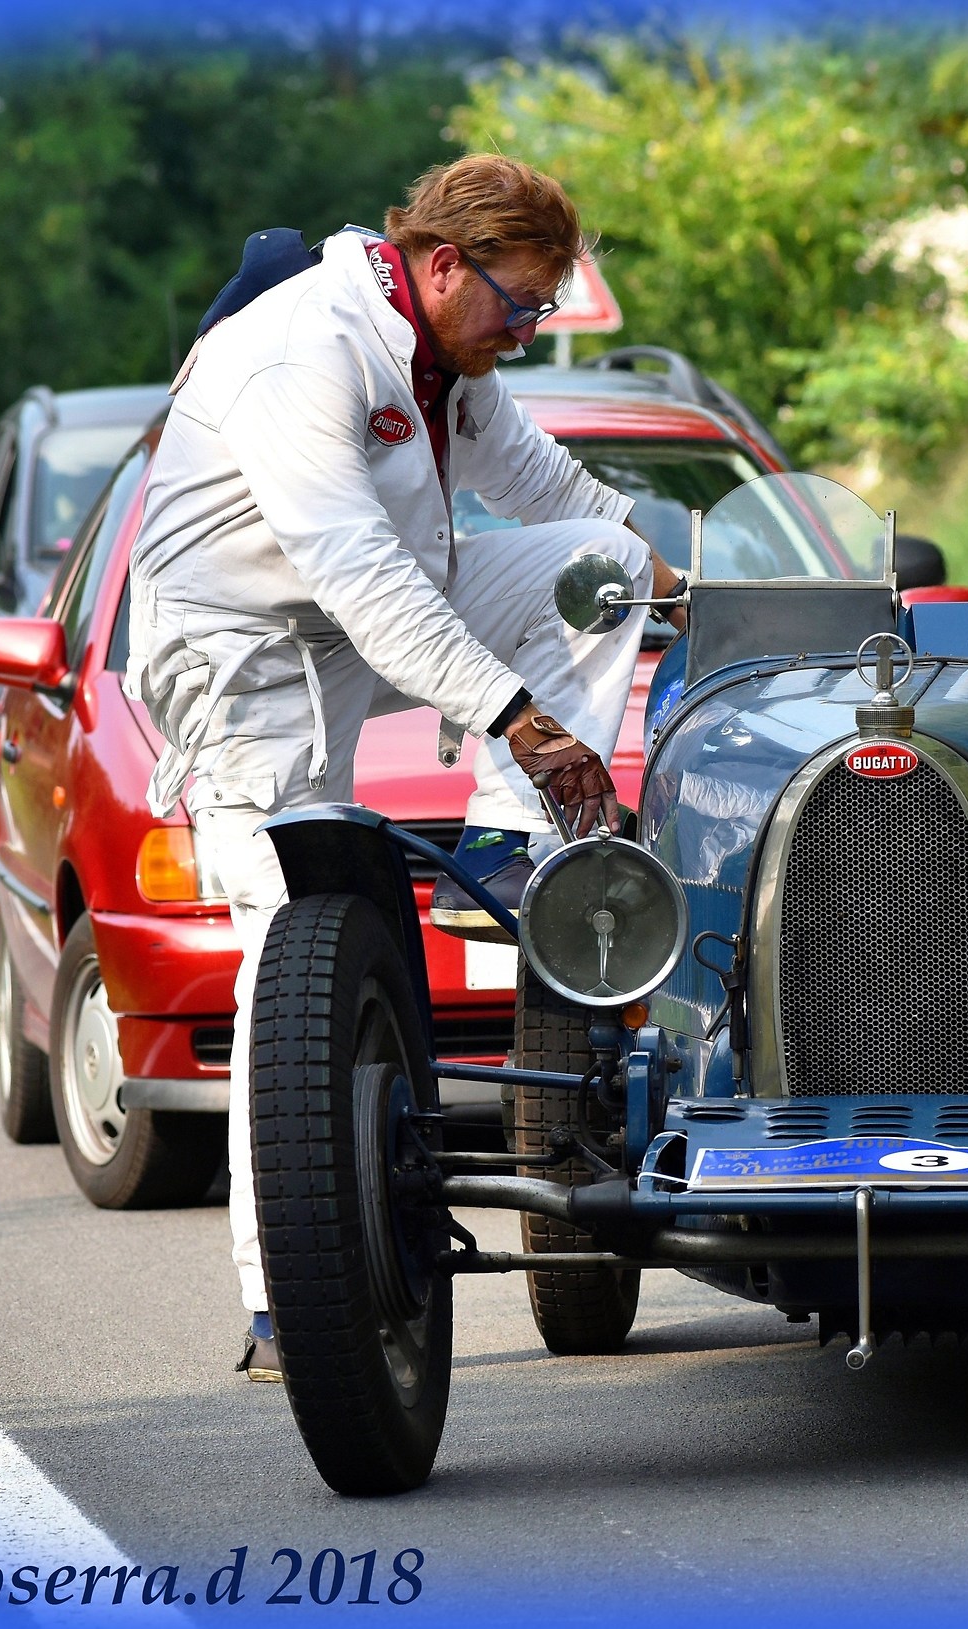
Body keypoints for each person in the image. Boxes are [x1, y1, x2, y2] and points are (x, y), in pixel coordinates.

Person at [125, 154, 689, 1384]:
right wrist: (521, 718)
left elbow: (551, 489)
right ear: (444, 266)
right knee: (293, 958)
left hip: (350, 616)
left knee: (594, 562)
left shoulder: (444, 351)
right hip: (242, 656)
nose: (531, 334)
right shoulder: (303, 353)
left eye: (545, 308)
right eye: (522, 306)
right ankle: (288, 1301)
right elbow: (362, 576)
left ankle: (507, 843)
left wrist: (693, 583)